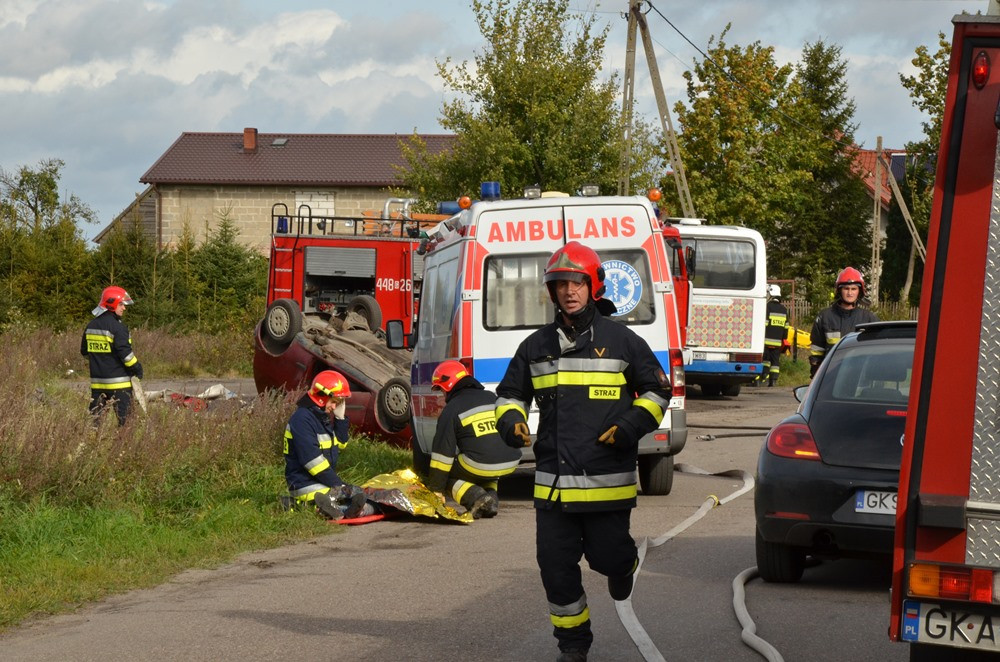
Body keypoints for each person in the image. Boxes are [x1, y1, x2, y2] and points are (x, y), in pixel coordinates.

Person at [494, 241, 671, 662]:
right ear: (551, 291)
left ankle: (623, 566)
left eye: (577, 283)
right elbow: (509, 394)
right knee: (556, 571)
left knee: (609, 557)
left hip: (604, 482)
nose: (569, 291)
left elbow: (657, 390)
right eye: (560, 285)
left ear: (594, 286)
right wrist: (510, 421)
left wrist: (630, 426)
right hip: (552, 486)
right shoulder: (535, 346)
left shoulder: (622, 341)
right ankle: (573, 645)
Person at [427, 360, 521, 519]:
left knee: (446, 473)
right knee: (486, 458)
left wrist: (436, 489)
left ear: (448, 386)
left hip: (482, 463)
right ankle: (490, 500)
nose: (442, 396)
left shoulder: (452, 409)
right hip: (512, 459)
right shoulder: (492, 397)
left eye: (441, 391)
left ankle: (476, 498)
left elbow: (442, 456)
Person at [283, 370, 369, 520]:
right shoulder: (302, 420)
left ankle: (332, 509)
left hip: (322, 482)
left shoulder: (321, 419)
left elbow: (340, 444)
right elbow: (313, 462)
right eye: (335, 401)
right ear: (321, 398)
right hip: (304, 484)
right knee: (347, 496)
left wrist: (340, 418)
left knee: (358, 494)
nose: (335, 406)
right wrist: (338, 486)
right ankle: (305, 506)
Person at [81, 285, 143, 425]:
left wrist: (100, 361)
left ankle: (91, 445)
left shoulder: (90, 326)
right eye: (121, 304)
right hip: (119, 385)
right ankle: (125, 445)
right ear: (112, 304)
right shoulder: (118, 328)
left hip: (97, 384)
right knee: (126, 423)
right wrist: (137, 368)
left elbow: (85, 352)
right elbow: (126, 355)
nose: (124, 308)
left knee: (94, 424)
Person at [809, 267, 879, 377]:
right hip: (830, 376)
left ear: (859, 291)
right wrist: (816, 375)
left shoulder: (869, 319)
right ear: (839, 290)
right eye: (846, 288)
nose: (850, 293)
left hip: (859, 377)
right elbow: (817, 351)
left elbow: (876, 352)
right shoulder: (825, 317)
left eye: (853, 289)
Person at [762, 284, 788, 387]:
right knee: (775, 363)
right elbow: (786, 327)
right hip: (777, 342)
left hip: (766, 341)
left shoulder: (767, 307)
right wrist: (784, 339)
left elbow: (764, 324)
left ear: (771, 294)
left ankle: (763, 377)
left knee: (765, 360)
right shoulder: (784, 309)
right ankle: (773, 381)